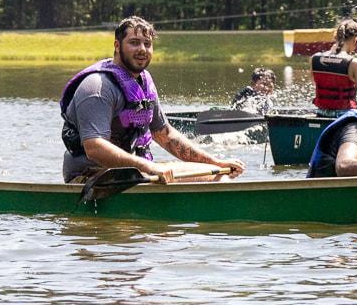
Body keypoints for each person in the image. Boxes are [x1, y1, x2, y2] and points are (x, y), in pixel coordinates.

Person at [60, 16, 246, 184]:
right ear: (117, 46)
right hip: (90, 176)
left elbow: (165, 135)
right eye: (134, 42)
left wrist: (215, 162)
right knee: (218, 181)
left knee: (217, 174)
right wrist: (148, 167)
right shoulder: (97, 87)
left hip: (133, 173)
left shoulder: (144, 82)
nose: (142, 49)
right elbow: (94, 148)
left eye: (147, 44)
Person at [311, 17, 357, 117]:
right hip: (345, 116)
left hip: (320, 114)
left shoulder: (314, 59)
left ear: (336, 36)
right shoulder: (355, 64)